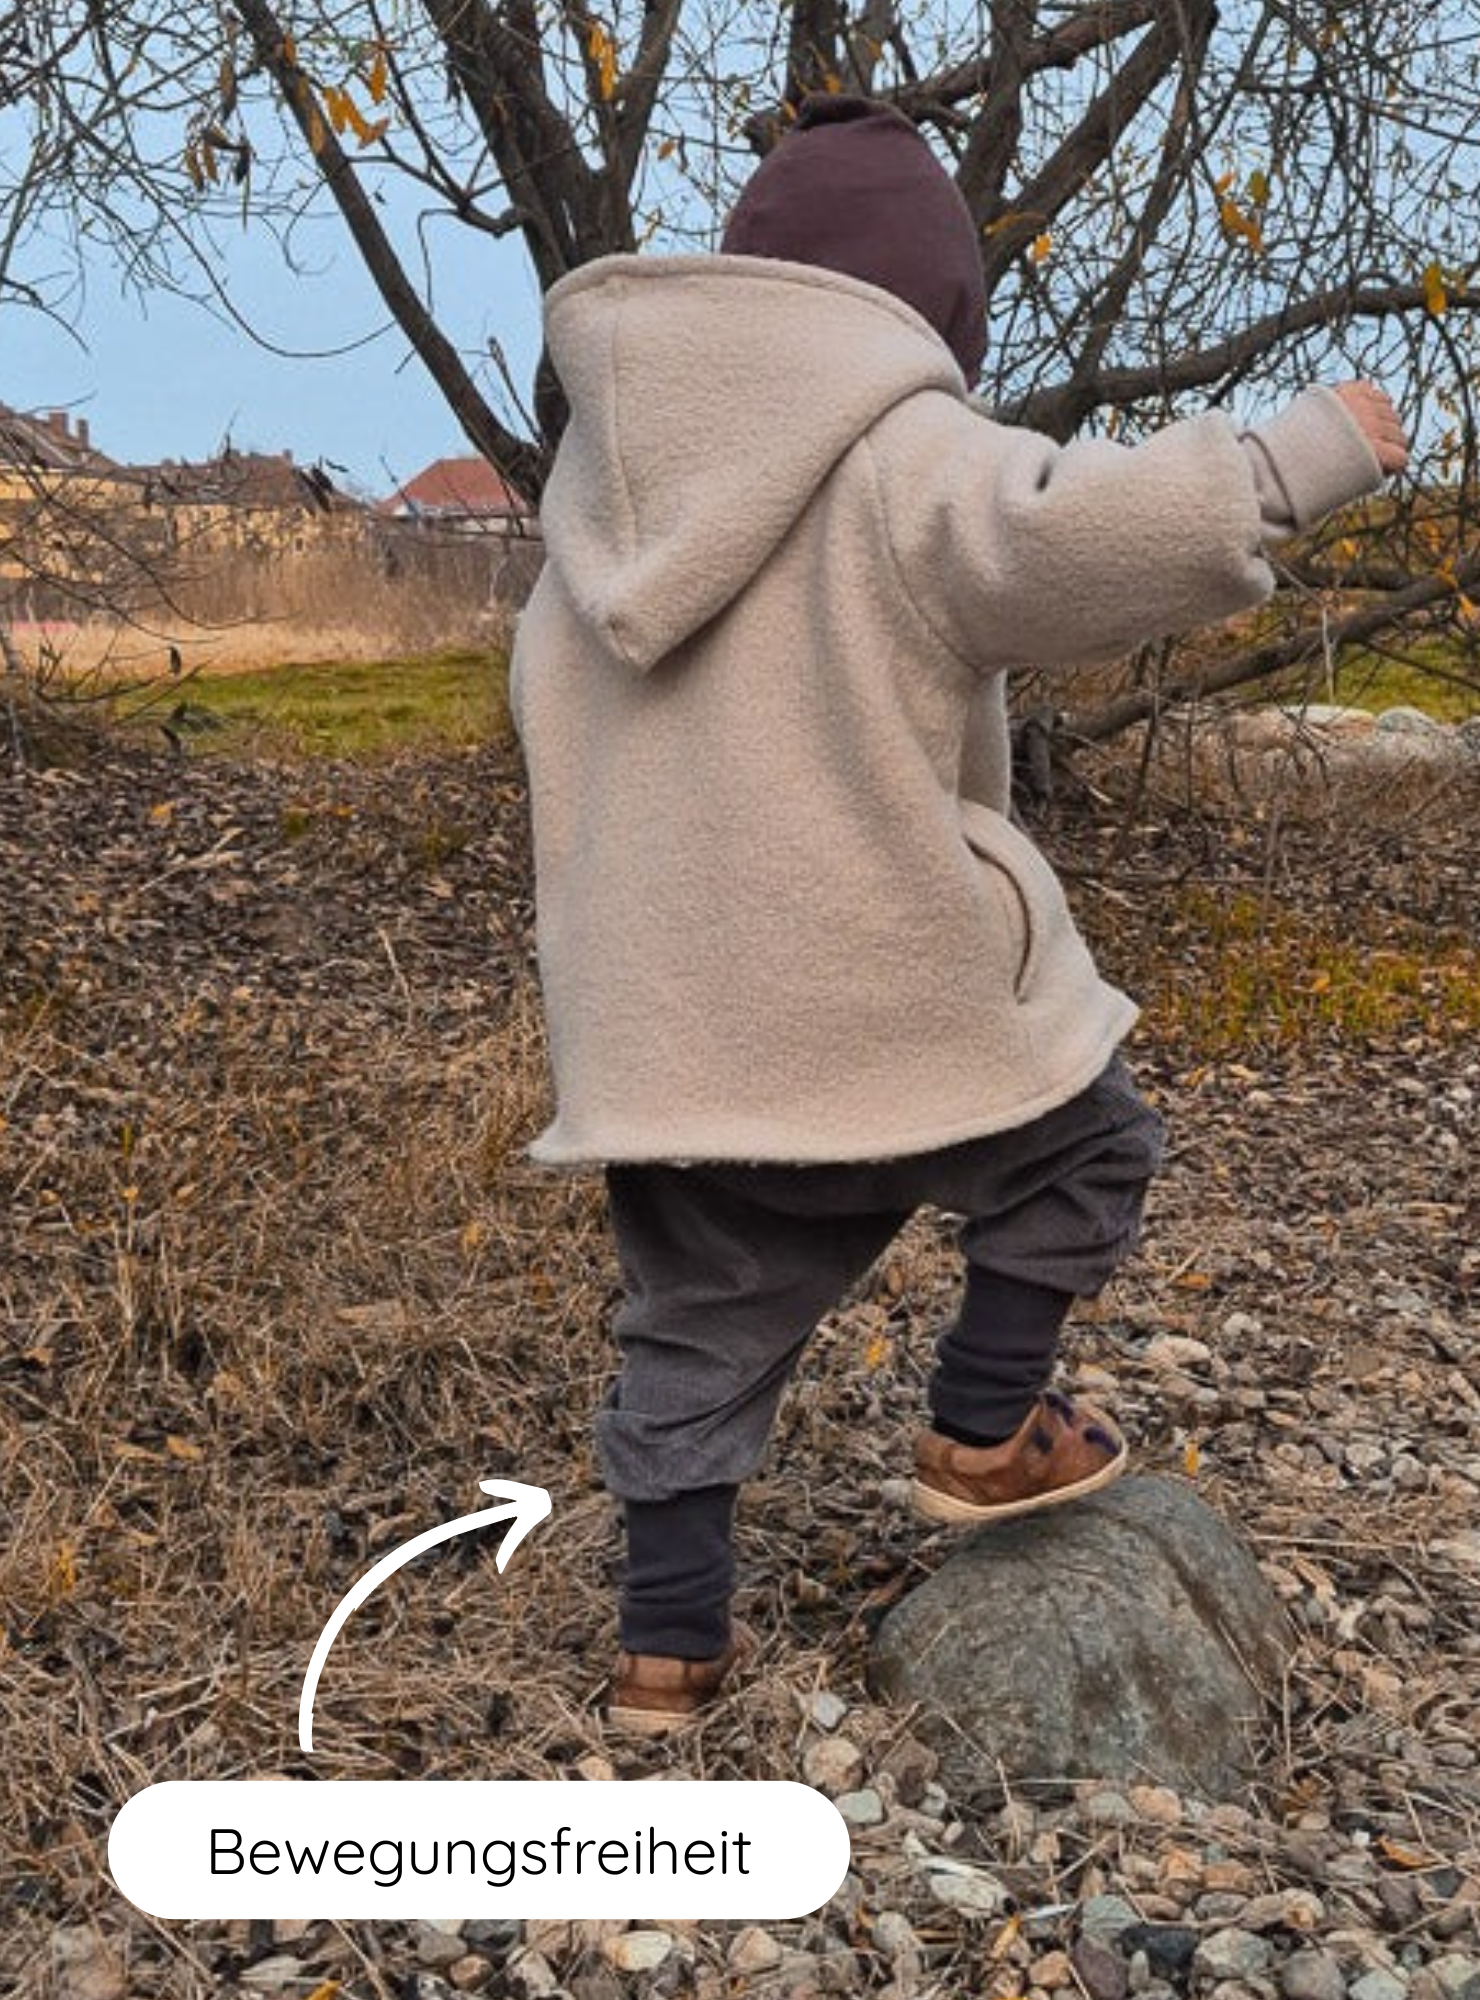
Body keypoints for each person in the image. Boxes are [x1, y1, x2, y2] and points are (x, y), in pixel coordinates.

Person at [508, 95, 1409, 1734]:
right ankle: (988, 1426)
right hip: (879, 981)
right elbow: (1076, 535)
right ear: (929, 306)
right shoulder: (897, 454)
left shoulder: (601, 506)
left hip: (672, 1027)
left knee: (695, 1331)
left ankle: (664, 1653)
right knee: (1085, 1147)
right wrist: (1298, 457)